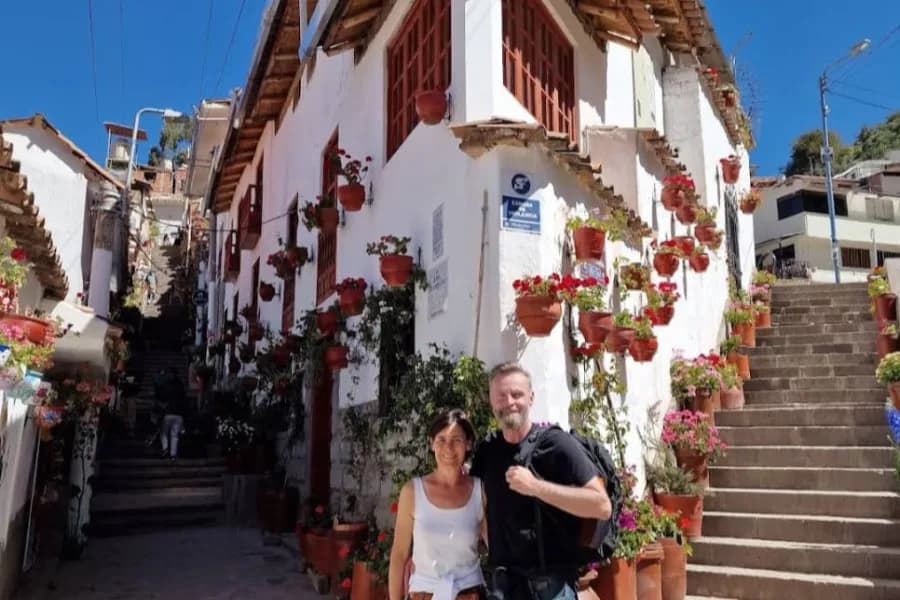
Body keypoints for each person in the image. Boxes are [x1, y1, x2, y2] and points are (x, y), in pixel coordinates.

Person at [470, 362, 612, 600]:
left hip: (551, 586)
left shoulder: (556, 444)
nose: (509, 402)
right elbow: (479, 506)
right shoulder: (488, 451)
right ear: (491, 401)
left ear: (531, 397)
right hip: (504, 585)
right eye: (501, 396)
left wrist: (536, 487)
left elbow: (601, 505)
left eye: (517, 394)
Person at [389, 409, 486, 600]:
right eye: (441, 439)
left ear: (468, 444)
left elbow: (496, 545)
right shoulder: (412, 492)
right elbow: (399, 554)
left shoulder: (479, 490)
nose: (448, 448)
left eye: (457, 440)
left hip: (470, 594)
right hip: (423, 594)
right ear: (431, 443)